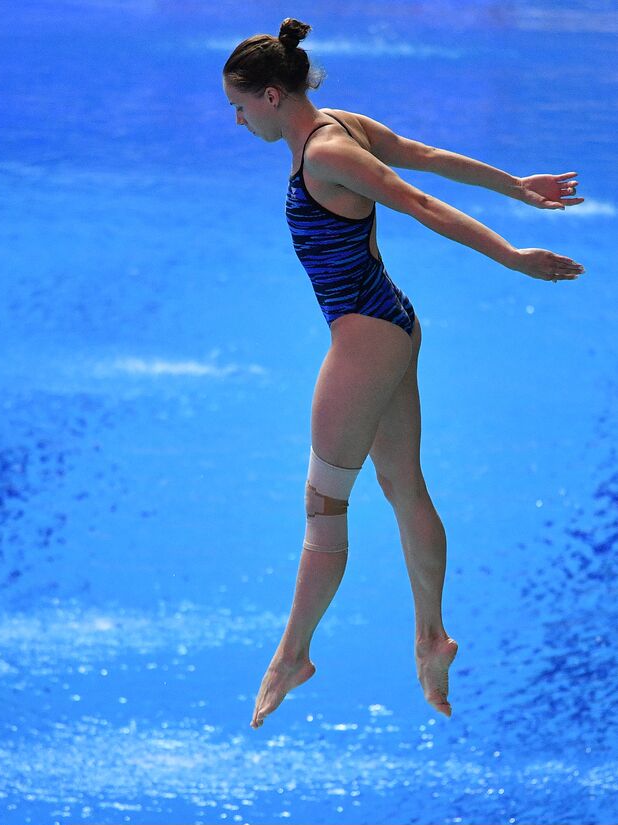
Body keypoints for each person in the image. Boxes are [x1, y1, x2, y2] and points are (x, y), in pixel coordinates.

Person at [222, 17, 585, 730]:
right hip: (391, 323)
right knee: (402, 485)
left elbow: (417, 200)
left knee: (325, 508)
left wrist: (513, 255)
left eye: (237, 106)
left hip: (363, 338)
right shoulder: (340, 127)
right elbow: (423, 154)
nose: (236, 121)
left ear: (270, 95)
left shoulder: (326, 153)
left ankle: (291, 655)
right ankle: (430, 637)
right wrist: (514, 184)